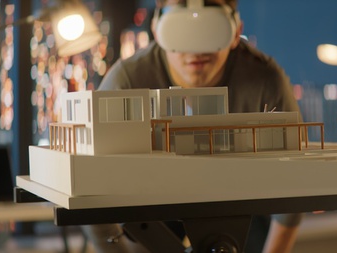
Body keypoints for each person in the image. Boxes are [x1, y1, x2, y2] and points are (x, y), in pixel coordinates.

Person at [87, 0, 303, 252]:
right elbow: (92, 186)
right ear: (158, 30)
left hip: (239, 204)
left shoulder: (265, 80)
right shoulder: (126, 81)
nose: (196, 50)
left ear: (235, 32)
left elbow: (294, 183)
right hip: (154, 205)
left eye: (210, 26)